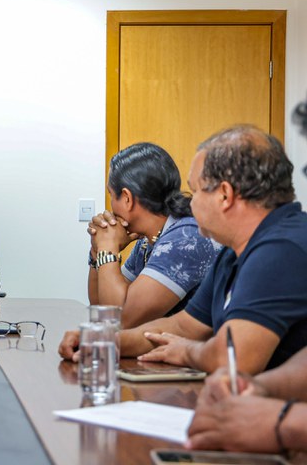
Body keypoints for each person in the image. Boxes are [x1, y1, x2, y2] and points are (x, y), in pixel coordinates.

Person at [59, 125, 307, 374]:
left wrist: (187, 350)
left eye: (196, 191)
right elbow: (183, 327)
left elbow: (234, 358)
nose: (190, 202)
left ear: (225, 195)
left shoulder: (280, 249)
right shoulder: (233, 254)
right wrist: (102, 341)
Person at [186, 98, 307, 454]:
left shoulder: (285, 246)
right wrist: (265, 389)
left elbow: (226, 354)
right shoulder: (234, 251)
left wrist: (284, 422)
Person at [86, 143, 221, 328]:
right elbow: (100, 308)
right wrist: (97, 251)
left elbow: (119, 320)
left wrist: (108, 248)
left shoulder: (186, 237)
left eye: (111, 194)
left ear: (126, 198)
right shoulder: (148, 241)